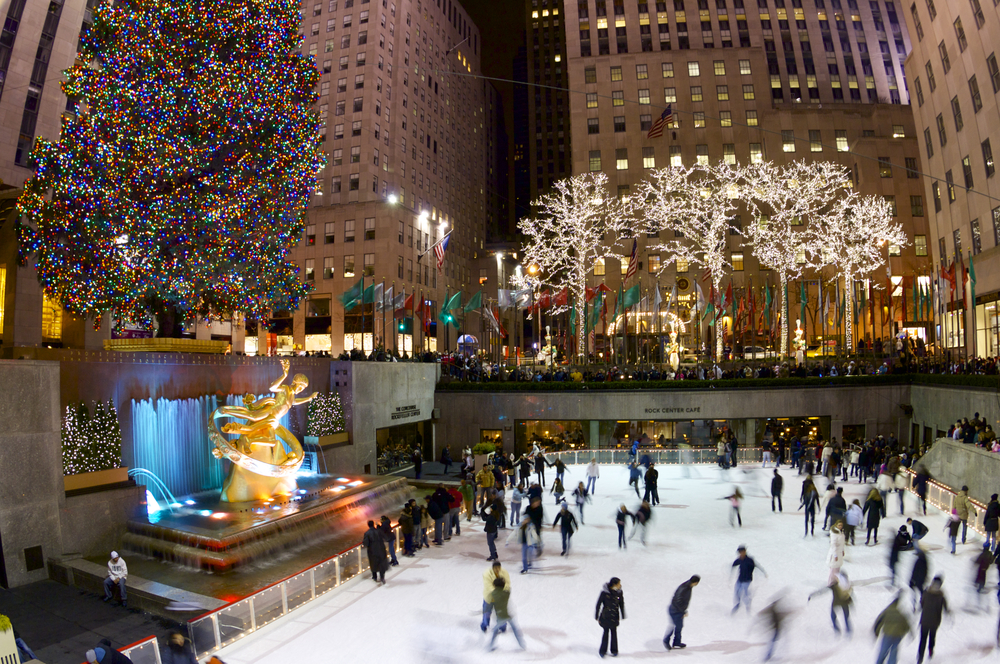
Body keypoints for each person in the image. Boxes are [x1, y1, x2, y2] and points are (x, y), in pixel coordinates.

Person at [487, 577, 526, 651]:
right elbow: (508, 589)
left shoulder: (492, 594)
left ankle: (490, 646)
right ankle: (522, 645)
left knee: (495, 630)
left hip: (500, 616)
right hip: (509, 614)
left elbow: (490, 605)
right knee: (514, 629)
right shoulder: (506, 593)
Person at [917, 576, 948, 664]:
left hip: (925, 621)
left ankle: (920, 657)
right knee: (932, 637)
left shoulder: (926, 593)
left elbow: (921, 604)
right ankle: (930, 651)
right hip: (935, 621)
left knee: (923, 639)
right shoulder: (941, 596)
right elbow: (945, 607)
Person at [664, 575, 700, 650]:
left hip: (676, 610)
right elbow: (678, 601)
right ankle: (666, 640)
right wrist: (683, 611)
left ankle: (677, 642)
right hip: (676, 610)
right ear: (696, 582)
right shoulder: (685, 588)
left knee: (679, 626)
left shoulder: (688, 586)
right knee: (674, 626)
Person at [873, 596, 910, 664]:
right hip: (898, 635)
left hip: (888, 634)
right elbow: (906, 625)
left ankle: (879, 662)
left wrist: (876, 632)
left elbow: (879, 621)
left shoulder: (887, 610)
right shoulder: (901, 612)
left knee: (883, 650)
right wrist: (905, 632)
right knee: (894, 651)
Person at [595, 577, 626, 658]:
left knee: (614, 633)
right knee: (605, 633)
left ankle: (614, 650)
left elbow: (621, 604)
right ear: (614, 584)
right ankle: (603, 651)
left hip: (614, 616)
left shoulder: (619, 593)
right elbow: (598, 604)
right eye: (619, 583)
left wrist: (622, 614)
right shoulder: (604, 593)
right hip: (605, 617)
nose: (620, 585)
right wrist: (597, 616)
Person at [731, 545, 766, 613]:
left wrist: (763, 573)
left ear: (744, 551)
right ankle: (737, 605)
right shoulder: (740, 559)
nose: (740, 554)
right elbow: (735, 564)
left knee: (746, 595)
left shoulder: (749, 560)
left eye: (741, 552)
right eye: (739, 552)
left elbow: (757, 566)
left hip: (747, 581)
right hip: (740, 579)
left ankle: (748, 608)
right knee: (737, 593)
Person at [480, 561, 511, 632]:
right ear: (492, 568)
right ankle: (485, 625)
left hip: (500, 598)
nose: (497, 569)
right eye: (495, 568)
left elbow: (507, 584)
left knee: (501, 612)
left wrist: (501, 594)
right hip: (489, 597)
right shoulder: (487, 574)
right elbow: (488, 586)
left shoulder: (504, 572)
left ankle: (502, 626)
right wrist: (497, 593)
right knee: (487, 612)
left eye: (498, 568)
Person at [362, 520, 388, 585]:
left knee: (373, 562)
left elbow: (366, 543)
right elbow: (386, 537)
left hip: (372, 550)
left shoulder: (367, 533)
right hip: (381, 549)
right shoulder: (379, 531)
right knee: (381, 562)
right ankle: (382, 577)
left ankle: (374, 577)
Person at [909, 545, 929, 610]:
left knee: (915, 593)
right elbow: (926, 571)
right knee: (921, 592)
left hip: (916, 580)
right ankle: (922, 603)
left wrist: (912, 579)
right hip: (921, 580)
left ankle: (915, 605)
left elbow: (914, 571)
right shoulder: (925, 561)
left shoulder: (919, 561)